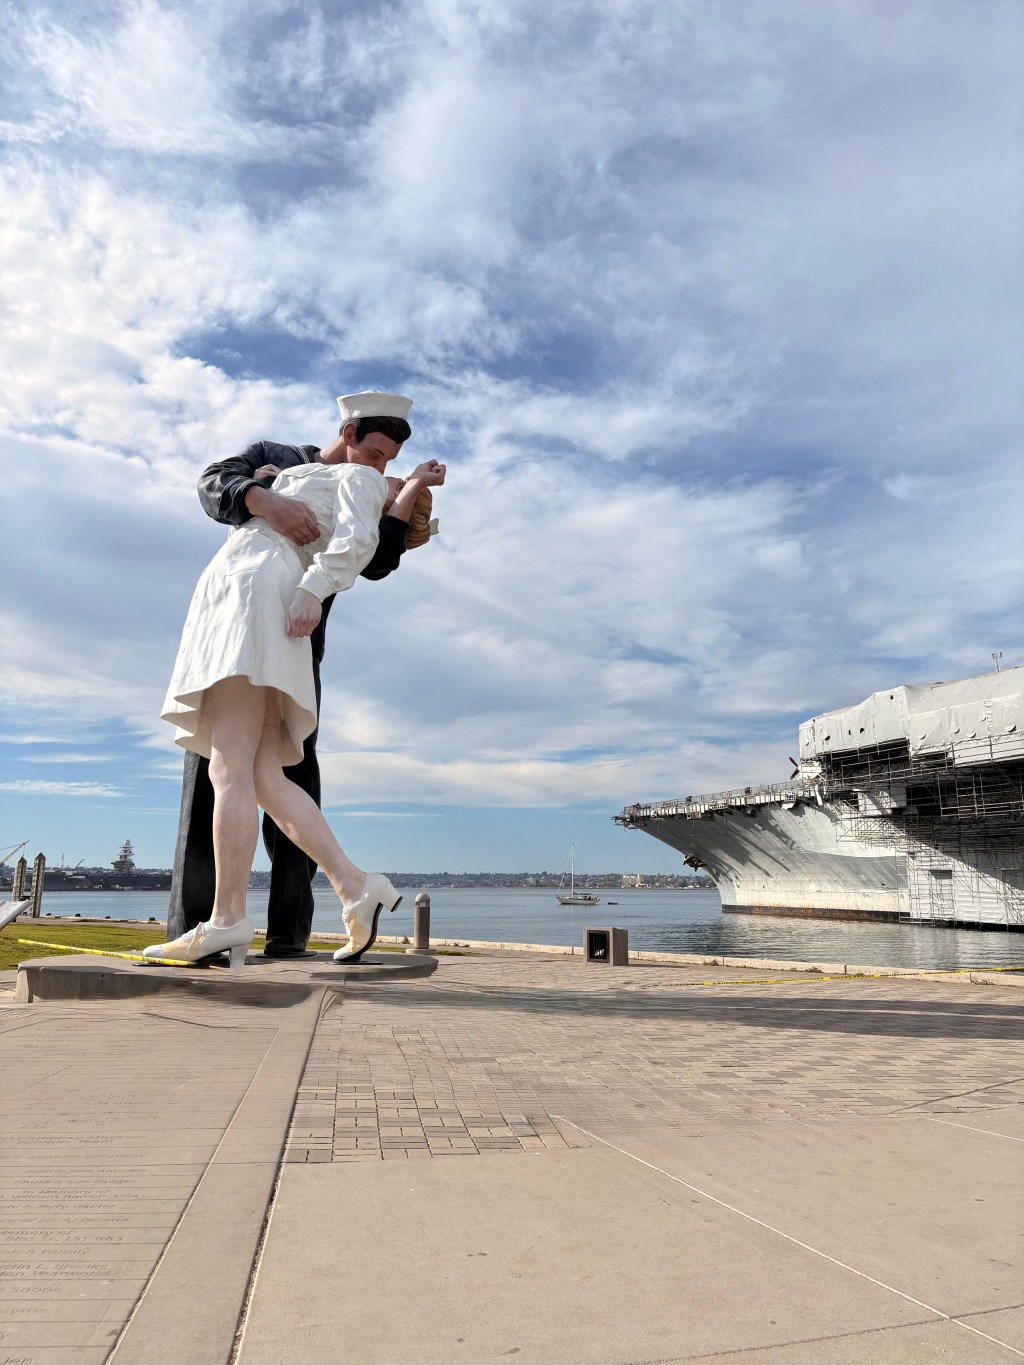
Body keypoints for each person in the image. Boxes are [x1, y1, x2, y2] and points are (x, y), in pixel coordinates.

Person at [146, 391, 446, 967]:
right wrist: (264, 489)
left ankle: (227, 920)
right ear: (349, 432)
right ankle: (354, 886)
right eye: (376, 454)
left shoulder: (356, 478)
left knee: (229, 768)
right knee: (262, 773)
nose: (381, 468)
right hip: (259, 597)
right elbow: (215, 484)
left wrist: (312, 586)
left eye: (389, 464)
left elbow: (367, 548)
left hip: (257, 595)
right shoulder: (290, 464)